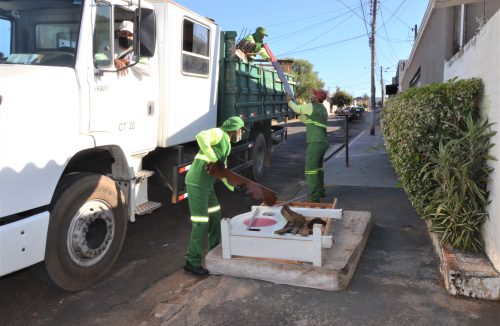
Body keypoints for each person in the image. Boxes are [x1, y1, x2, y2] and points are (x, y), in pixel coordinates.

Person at [183, 116, 246, 276]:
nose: (241, 133)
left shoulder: (227, 145)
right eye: (241, 129)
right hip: (197, 182)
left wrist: (234, 187)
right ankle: (192, 261)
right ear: (234, 129)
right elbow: (201, 136)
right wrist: (214, 158)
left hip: (207, 185)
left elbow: (222, 172)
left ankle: (214, 250)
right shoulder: (219, 133)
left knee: (216, 214)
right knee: (201, 222)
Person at [286, 90, 329, 203]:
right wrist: (300, 116)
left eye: (313, 95)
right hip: (323, 142)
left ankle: (314, 198)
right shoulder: (323, 109)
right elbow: (310, 121)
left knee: (310, 170)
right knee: (318, 168)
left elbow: (297, 108)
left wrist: (289, 101)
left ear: (316, 97)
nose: (311, 96)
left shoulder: (311, 106)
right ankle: (320, 191)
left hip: (315, 142)